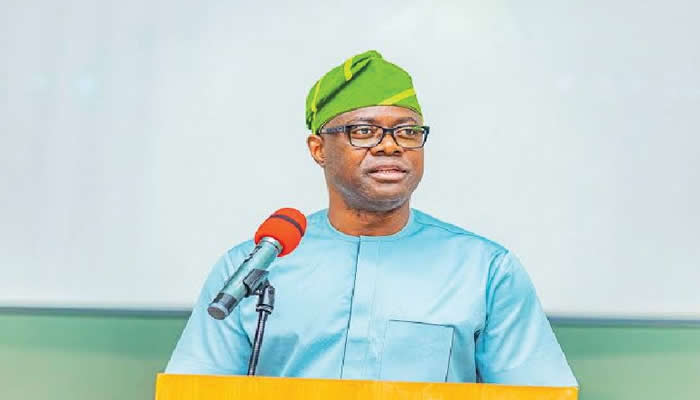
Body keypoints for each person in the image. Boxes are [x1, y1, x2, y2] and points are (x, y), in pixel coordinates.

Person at [165, 50, 578, 386]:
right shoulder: (253, 267)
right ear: (318, 149)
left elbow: (537, 394)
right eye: (363, 131)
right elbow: (196, 388)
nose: (390, 146)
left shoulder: (485, 270)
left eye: (408, 131)